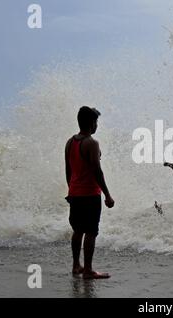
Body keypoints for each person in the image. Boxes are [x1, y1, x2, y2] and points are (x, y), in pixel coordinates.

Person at [65, 106, 115, 279]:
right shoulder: (92, 143)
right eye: (96, 122)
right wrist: (107, 194)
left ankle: (76, 266)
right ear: (91, 123)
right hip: (90, 194)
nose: (97, 125)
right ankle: (88, 270)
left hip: (75, 194)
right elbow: (97, 171)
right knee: (91, 232)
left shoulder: (70, 142)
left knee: (78, 230)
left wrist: (70, 190)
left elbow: (68, 169)